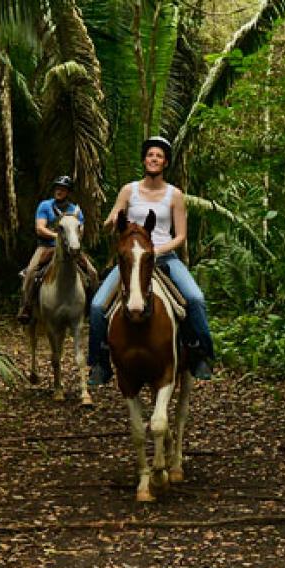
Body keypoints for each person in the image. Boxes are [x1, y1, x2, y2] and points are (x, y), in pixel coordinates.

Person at [88, 136, 215, 384]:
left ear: (165, 162)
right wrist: (110, 223)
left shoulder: (174, 195)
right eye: (150, 155)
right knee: (96, 306)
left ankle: (201, 354)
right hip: (131, 259)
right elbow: (110, 221)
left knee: (195, 298)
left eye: (159, 156)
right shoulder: (129, 190)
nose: (154, 159)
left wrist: (156, 251)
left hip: (164, 257)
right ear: (144, 160)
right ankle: (100, 362)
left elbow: (180, 236)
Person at [17, 175, 98, 324]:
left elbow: (80, 231)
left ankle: (91, 309)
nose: (59, 191)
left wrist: (72, 240)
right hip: (47, 247)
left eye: (63, 189)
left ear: (68, 192)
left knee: (92, 272)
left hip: (70, 249)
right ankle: (26, 306)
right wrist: (58, 236)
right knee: (30, 271)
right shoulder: (45, 206)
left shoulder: (75, 210)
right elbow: (40, 228)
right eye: (57, 188)